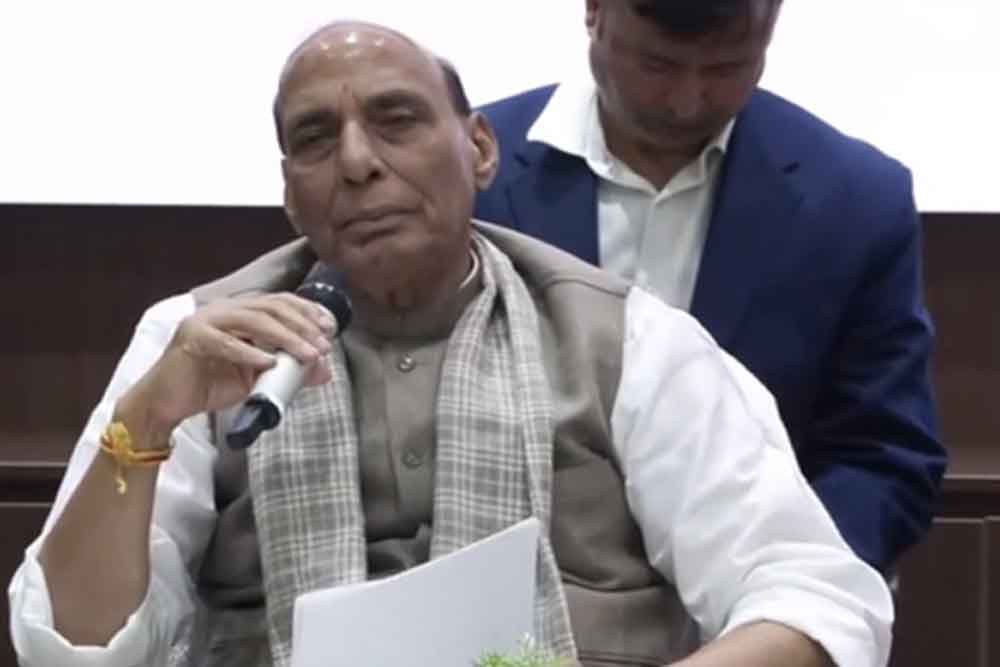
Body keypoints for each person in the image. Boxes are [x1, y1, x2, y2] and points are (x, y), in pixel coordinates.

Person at [9, 20, 892, 667]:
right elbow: (68, 648)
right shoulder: (196, 341)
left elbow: (814, 596)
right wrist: (146, 421)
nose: (357, 162)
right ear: (289, 191)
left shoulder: (627, 336)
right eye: (315, 139)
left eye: (395, 120)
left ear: (479, 150)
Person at [473, 0, 946, 573]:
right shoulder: (460, 172)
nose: (686, 102)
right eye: (657, 65)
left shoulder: (857, 200)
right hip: (510, 585)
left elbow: (883, 453)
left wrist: (794, 586)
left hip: (758, 592)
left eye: (727, 69)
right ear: (595, 11)